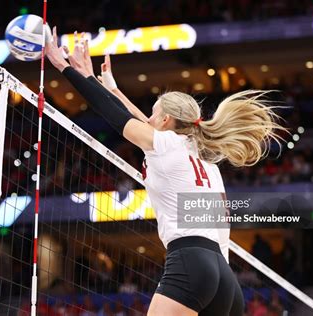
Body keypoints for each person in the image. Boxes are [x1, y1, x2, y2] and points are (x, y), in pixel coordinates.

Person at [46, 27, 285, 316]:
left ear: (166, 119)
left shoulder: (166, 144)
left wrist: (65, 68)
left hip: (191, 263)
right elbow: (136, 118)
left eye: (154, 113)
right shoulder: (203, 156)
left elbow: (116, 116)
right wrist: (110, 87)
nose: (148, 117)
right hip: (224, 279)